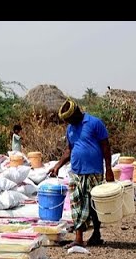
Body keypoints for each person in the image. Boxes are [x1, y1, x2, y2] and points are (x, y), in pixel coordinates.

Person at [49, 99, 114, 249]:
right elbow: (69, 149)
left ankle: (96, 233)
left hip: (94, 172)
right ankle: (78, 238)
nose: (68, 123)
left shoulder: (94, 123)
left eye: (70, 119)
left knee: (93, 205)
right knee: (77, 204)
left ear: (77, 113)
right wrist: (58, 165)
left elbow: (106, 146)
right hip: (76, 171)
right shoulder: (70, 129)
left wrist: (109, 169)